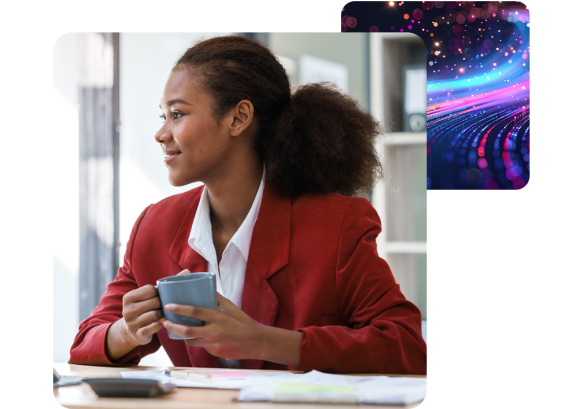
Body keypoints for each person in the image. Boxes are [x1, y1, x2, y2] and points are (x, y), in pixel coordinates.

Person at [69, 35, 427, 374]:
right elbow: (86, 343)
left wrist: (265, 342)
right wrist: (125, 332)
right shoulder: (154, 226)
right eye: (163, 116)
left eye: (177, 114)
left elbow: (406, 346)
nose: (161, 134)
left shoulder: (335, 224)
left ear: (238, 118)